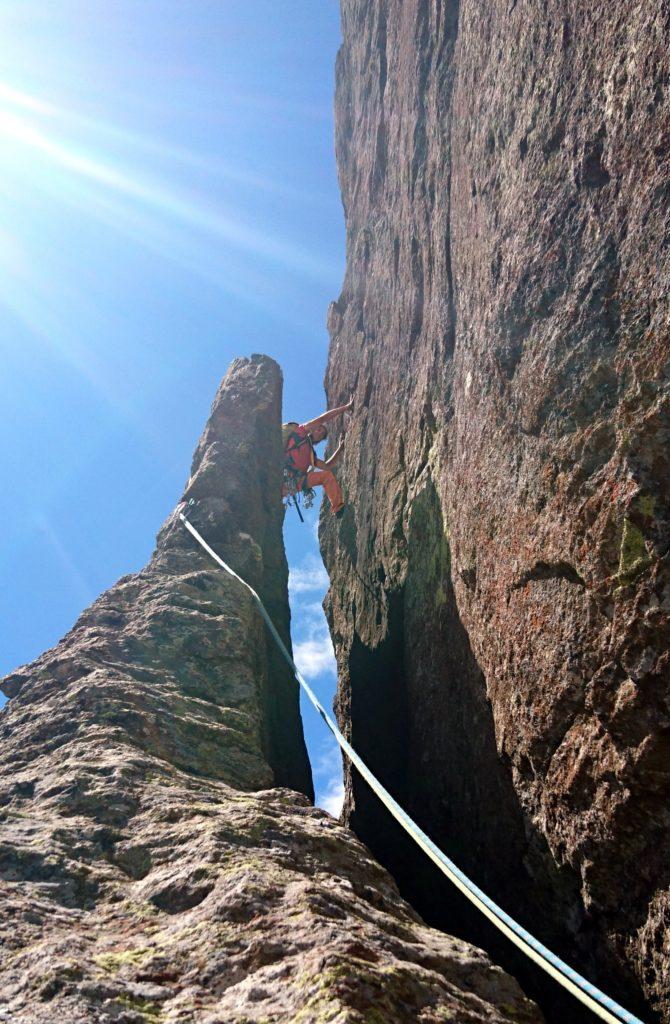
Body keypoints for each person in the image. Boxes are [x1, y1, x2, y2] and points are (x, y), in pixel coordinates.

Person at [283, 399, 353, 517]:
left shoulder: (310, 455)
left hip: (295, 483)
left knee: (327, 475)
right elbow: (322, 419)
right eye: (319, 429)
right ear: (314, 428)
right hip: (281, 475)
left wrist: (340, 449)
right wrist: (346, 407)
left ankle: (338, 508)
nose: (319, 433)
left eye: (322, 435)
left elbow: (327, 466)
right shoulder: (300, 432)